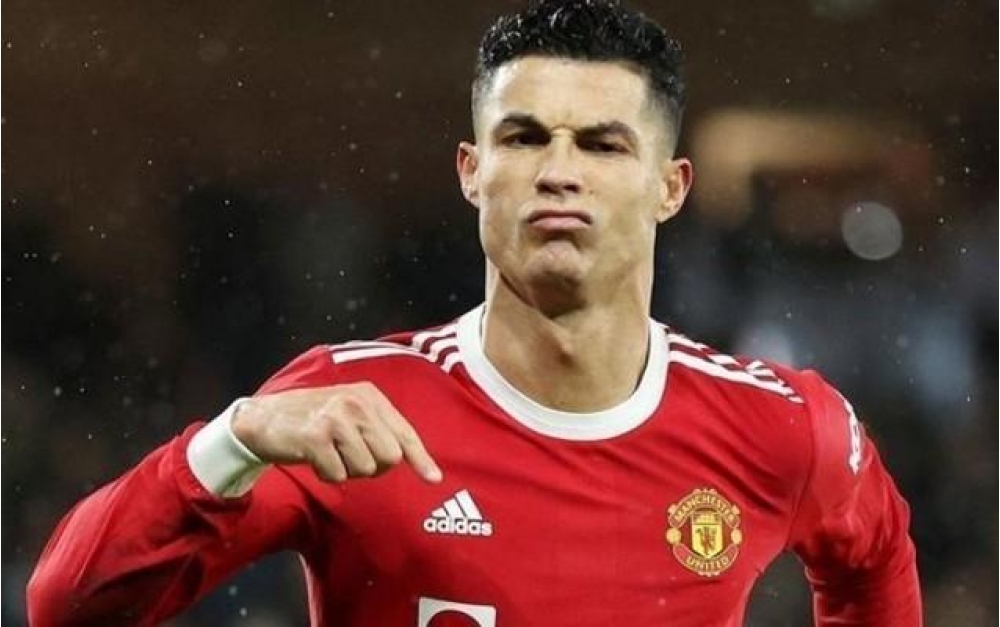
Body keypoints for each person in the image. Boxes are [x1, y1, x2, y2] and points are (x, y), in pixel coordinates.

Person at [26, 1, 922, 625]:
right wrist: (235, 436)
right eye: (524, 137)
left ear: (670, 187)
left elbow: (873, 560)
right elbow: (67, 605)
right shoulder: (345, 411)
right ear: (471, 171)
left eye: (603, 145)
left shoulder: (781, 426)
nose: (559, 172)